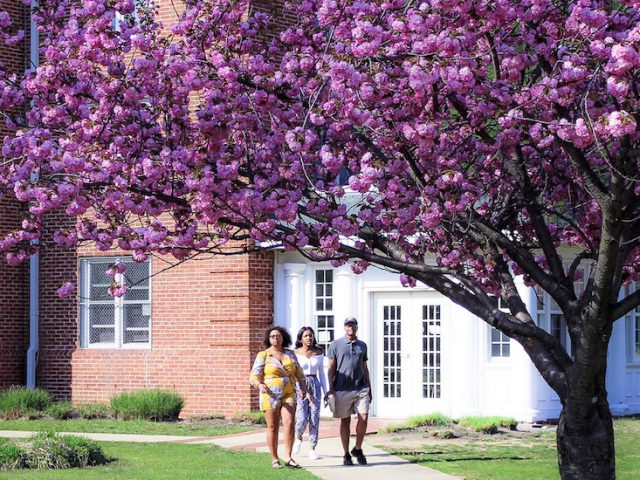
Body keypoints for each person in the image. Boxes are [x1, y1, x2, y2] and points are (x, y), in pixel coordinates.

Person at [250, 326, 313, 469]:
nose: (275, 338)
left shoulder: (290, 354)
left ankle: (289, 457)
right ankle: (274, 458)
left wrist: (305, 390)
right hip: (270, 394)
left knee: (290, 423)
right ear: (268, 339)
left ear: (283, 337)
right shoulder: (263, 355)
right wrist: (258, 385)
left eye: (278, 336)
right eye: (272, 336)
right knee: (272, 426)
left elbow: (300, 374)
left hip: (289, 392)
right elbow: (254, 375)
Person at [326, 316, 372, 466]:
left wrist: (370, 388)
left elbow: (365, 368)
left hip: (361, 387)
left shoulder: (362, 345)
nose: (350, 327)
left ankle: (357, 448)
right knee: (345, 421)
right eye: (347, 325)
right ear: (344, 327)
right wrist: (331, 389)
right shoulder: (335, 345)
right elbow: (331, 369)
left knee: (364, 417)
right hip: (342, 388)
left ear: (356, 327)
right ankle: (346, 453)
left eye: (352, 325)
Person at [292, 326, 328, 460]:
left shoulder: (318, 352)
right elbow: (293, 372)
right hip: (300, 384)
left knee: (314, 418)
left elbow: (322, 374)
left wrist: (326, 391)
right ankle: (298, 437)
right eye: (306, 336)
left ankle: (312, 448)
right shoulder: (295, 353)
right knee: (301, 418)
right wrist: (297, 388)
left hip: (315, 384)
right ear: (301, 338)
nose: (309, 338)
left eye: (311, 335)